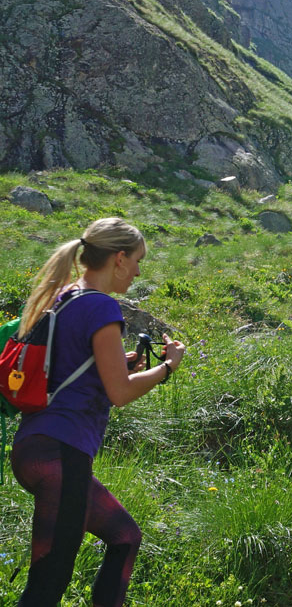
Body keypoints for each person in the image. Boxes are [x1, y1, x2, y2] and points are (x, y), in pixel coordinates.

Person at [9, 218, 185, 607]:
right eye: (137, 261)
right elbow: (120, 393)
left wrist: (117, 364)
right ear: (119, 259)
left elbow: (71, 367)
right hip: (63, 454)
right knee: (46, 587)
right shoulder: (102, 306)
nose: (138, 272)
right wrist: (168, 367)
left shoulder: (62, 296)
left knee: (125, 537)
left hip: (33, 447)